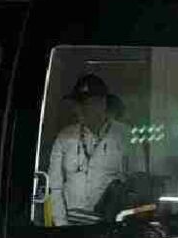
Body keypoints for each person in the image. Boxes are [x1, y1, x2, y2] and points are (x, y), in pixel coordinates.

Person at [47, 74, 131, 226]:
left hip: (109, 227)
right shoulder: (64, 137)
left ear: (102, 104)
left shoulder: (124, 135)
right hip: (70, 227)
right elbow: (55, 187)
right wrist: (62, 227)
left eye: (85, 104)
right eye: (76, 104)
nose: (77, 109)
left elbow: (135, 183)